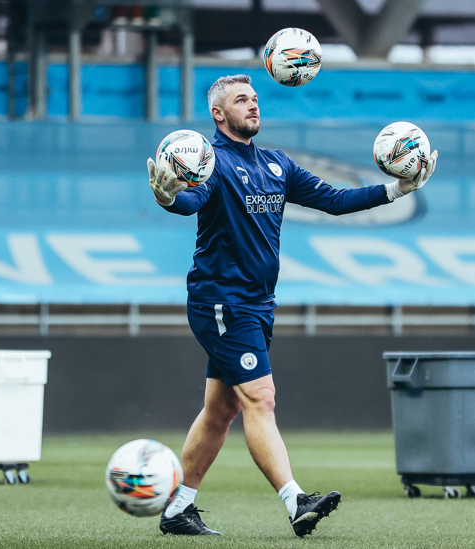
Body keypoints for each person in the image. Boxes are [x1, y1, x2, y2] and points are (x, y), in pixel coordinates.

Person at [147, 74, 438, 538]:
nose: (253, 105)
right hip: (222, 302)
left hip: (258, 305)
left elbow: (335, 201)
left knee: (221, 412)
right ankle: (296, 501)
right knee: (261, 398)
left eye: (255, 98)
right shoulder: (213, 164)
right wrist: (167, 197)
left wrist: (396, 191)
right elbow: (190, 200)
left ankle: (177, 508)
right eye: (241, 100)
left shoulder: (276, 164)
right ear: (218, 114)